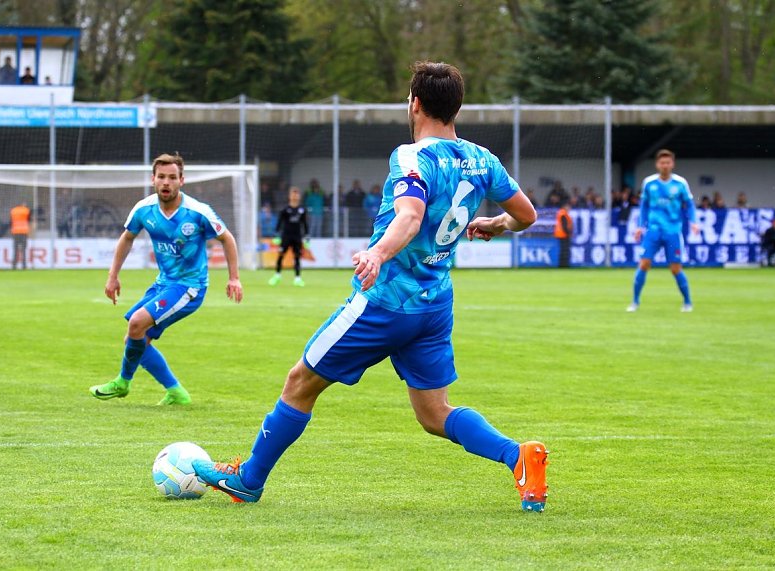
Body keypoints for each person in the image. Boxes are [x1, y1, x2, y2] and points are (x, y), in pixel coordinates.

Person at [193, 61, 549, 512]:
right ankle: (518, 457)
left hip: (384, 303)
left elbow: (410, 215)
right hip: (434, 305)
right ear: (456, 107)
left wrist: (378, 254)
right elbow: (527, 216)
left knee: (300, 382)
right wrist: (495, 223)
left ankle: (248, 481)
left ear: (415, 104)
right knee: (435, 414)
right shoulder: (483, 159)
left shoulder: (411, 157)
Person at [89, 153, 243, 405]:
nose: (166, 182)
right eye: (161, 177)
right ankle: (176, 392)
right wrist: (112, 276)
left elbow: (227, 238)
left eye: (172, 177)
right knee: (135, 339)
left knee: (137, 323)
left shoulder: (197, 212)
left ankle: (123, 382)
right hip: (164, 283)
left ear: (182, 180)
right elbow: (127, 237)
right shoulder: (144, 209)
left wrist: (234, 278)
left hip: (189, 286)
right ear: (153, 179)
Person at [628, 149, 699, 313]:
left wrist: (693, 222)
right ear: (657, 164)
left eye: (668, 162)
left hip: (673, 231)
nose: (665, 165)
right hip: (653, 231)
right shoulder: (649, 183)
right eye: (662, 162)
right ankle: (635, 302)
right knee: (644, 264)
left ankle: (687, 302)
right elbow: (644, 206)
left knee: (675, 268)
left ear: (672, 164)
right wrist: (640, 226)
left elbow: (689, 205)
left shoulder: (680, 183)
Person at [268, 186, 309, 287]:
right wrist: (276, 235)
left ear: (299, 196)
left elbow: (305, 224)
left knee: (297, 257)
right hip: (286, 236)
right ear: (290, 196)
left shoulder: (302, 210)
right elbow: (279, 222)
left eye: (297, 194)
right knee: (281, 255)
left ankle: (297, 278)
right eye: (293, 194)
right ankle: (277, 276)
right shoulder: (285, 209)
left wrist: (307, 236)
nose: (295, 196)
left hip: (297, 237)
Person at [10, 201, 31, 270]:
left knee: (15, 249)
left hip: (15, 232)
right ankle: (24, 266)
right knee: (23, 250)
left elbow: (11, 221)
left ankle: (14, 265)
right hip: (24, 232)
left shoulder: (13, 211)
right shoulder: (26, 210)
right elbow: (29, 220)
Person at [554, 199, 572, 267]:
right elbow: (564, 225)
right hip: (563, 235)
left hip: (561, 234)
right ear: (565, 206)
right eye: (568, 207)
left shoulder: (561, 213)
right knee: (565, 251)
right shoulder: (563, 214)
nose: (569, 208)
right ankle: (564, 265)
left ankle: (562, 265)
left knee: (563, 250)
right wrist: (568, 233)